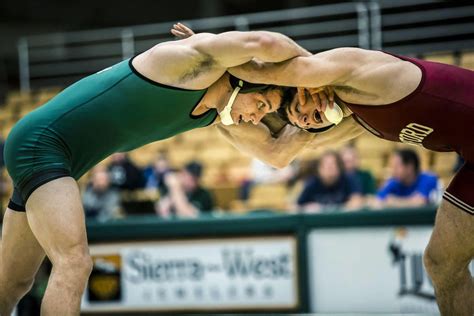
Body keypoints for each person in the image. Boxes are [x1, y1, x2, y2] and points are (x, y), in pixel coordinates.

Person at [0, 25, 307, 314]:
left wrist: (337, 107)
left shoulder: (214, 115)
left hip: (58, 156)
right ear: (245, 78)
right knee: (74, 263)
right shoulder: (189, 64)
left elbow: (276, 154)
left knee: (13, 284)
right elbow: (268, 43)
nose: (257, 118)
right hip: (41, 144)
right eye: (261, 105)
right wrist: (315, 76)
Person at [223, 47, 474, 315]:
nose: (306, 120)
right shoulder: (358, 120)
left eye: (299, 108)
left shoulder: (352, 69)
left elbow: (270, 59)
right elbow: (277, 154)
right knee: (441, 264)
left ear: (306, 88)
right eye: (304, 123)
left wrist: (216, 63)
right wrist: (219, 109)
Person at [296, 151, 363, 212]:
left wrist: (348, 205)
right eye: (326, 165)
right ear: (319, 169)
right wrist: (307, 207)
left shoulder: (349, 179)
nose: (329, 168)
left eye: (333, 164)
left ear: (339, 167)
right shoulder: (312, 182)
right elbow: (297, 206)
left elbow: (356, 200)